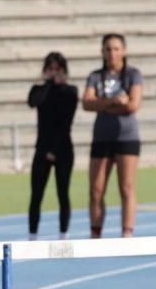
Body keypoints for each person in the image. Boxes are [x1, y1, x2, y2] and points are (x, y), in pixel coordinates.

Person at [82, 33, 143, 238]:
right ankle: (95, 234)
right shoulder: (95, 76)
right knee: (96, 190)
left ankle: (127, 234)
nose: (112, 53)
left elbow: (133, 104)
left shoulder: (133, 74)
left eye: (116, 49)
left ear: (124, 51)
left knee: (126, 187)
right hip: (101, 137)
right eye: (108, 49)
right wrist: (113, 102)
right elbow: (87, 103)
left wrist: (103, 104)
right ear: (102, 52)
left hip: (127, 137)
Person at [26, 51, 78, 240]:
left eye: (57, 69)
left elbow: (66, 122)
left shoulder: (70, 91)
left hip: (63, 149)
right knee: (36, 194)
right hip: (42, 148)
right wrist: (48, 84)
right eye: (50, 69)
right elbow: (33, 102)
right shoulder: (39, 90)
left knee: (62, 192)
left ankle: (63, 233)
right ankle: (32, 235)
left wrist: (54, 150)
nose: (54, 72)